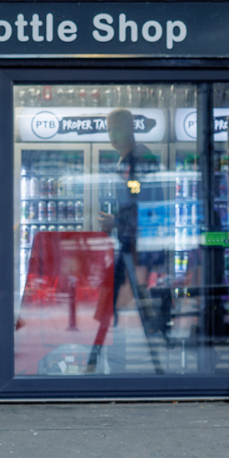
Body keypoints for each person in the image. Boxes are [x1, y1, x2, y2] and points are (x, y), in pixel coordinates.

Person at [87, 108, 164, 374]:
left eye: (117, 128)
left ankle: (110, 364)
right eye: (109, 129)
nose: (112, 134)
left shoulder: (141, 159)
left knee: (120, 302)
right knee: (113, 302)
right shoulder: (125, 161)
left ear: (131, 128)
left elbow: (147, 206)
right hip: (130, 246)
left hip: (139, 249)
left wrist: (116, 222)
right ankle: (109, 361)